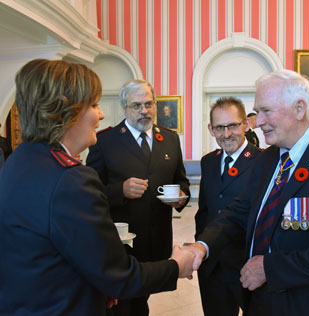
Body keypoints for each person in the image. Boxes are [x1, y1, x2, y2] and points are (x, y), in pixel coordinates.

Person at [0, 59, 195, 316]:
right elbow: (119, 275)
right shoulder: (70, 179)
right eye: (93, 105)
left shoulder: (19, 159)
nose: (101, 115)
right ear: (66, 112)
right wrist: (177, 266)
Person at [187, 69, 309, 315]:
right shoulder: (267, 159)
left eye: (266, 111)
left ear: (300, 109)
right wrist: (202, 246)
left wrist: (269, 268)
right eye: (258, 112)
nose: (257, 122)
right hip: (260, 302)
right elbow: (238, 212)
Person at [86, 79, 190, 316]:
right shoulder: (105, 141)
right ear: (124, 108)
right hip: (122, 242)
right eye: (136, 105)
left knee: (143, 297)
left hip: (158, 239)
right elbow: (90, 190)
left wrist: (181, 197)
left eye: (148, 104)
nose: (144, 111)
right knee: (126, 303)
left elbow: (181, 180)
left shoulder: (170, 139)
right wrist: (119, 190)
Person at [195, 97, 259, 316]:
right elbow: (203, 211)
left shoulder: (263, 161)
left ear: (246, 125)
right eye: (219, 127)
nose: (227, 134)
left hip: (247, 265)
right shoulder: (208, 162)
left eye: (232, 125)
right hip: (212, 264)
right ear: (211, 130)